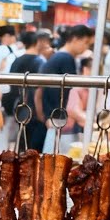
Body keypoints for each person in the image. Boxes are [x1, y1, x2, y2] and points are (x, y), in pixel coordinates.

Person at [39, 25, 93, 153]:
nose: (86, 47)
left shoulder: (59, 57)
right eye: (85, 42)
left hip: (55, 118)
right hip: (59, 120)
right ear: (74, 39)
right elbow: (70, 93)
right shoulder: (65, 58)